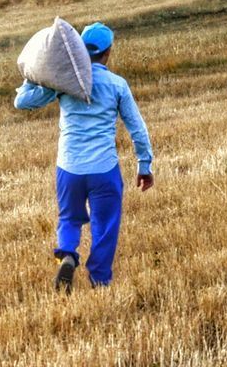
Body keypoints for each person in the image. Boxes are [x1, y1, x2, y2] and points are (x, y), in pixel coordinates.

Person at [14, 21, 154, 291]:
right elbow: (137, 128)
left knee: (69, 218)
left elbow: (22, 102)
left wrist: (37, 73)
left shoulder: (64, 83)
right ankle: (100, 280)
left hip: (69, 168)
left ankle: (67, 253)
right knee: (105, 225)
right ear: (108, 52)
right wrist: (144, 164)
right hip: (104, 170)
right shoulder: (117, 84)